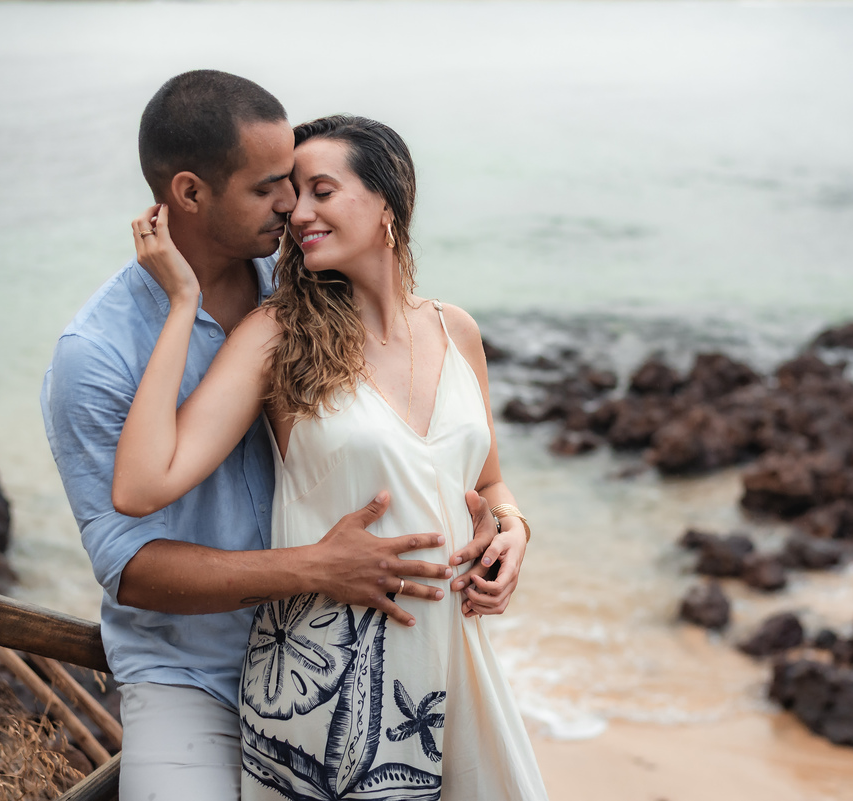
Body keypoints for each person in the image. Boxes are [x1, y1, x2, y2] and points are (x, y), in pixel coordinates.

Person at [41, 71, 523, 801]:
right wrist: (184, 304)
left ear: (387, 204)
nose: (293, 207)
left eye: (309, 187)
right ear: (190, 193)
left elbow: (482, 477)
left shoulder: (321, 291)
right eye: (274, 187)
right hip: (197, 663)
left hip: (424, 656)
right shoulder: (104, 351)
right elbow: (132, 553)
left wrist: (511, 524)